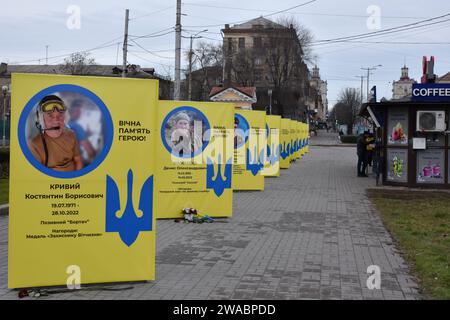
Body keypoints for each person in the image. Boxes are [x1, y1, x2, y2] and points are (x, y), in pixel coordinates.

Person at [28, 95, 83, 172]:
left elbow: (78, 161)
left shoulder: (71, 134)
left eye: (60, 115)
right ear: (40, 119)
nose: (56, 120)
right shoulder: (34, 145)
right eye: (50, 115)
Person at [68, 99, 96, 166]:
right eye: (77, 111)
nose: (79, 113)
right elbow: (90, 151)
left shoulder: (67, 125)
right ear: (71, 112)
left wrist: (85, 134)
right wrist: (94, 153)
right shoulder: (77, 127)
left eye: (80, 111)